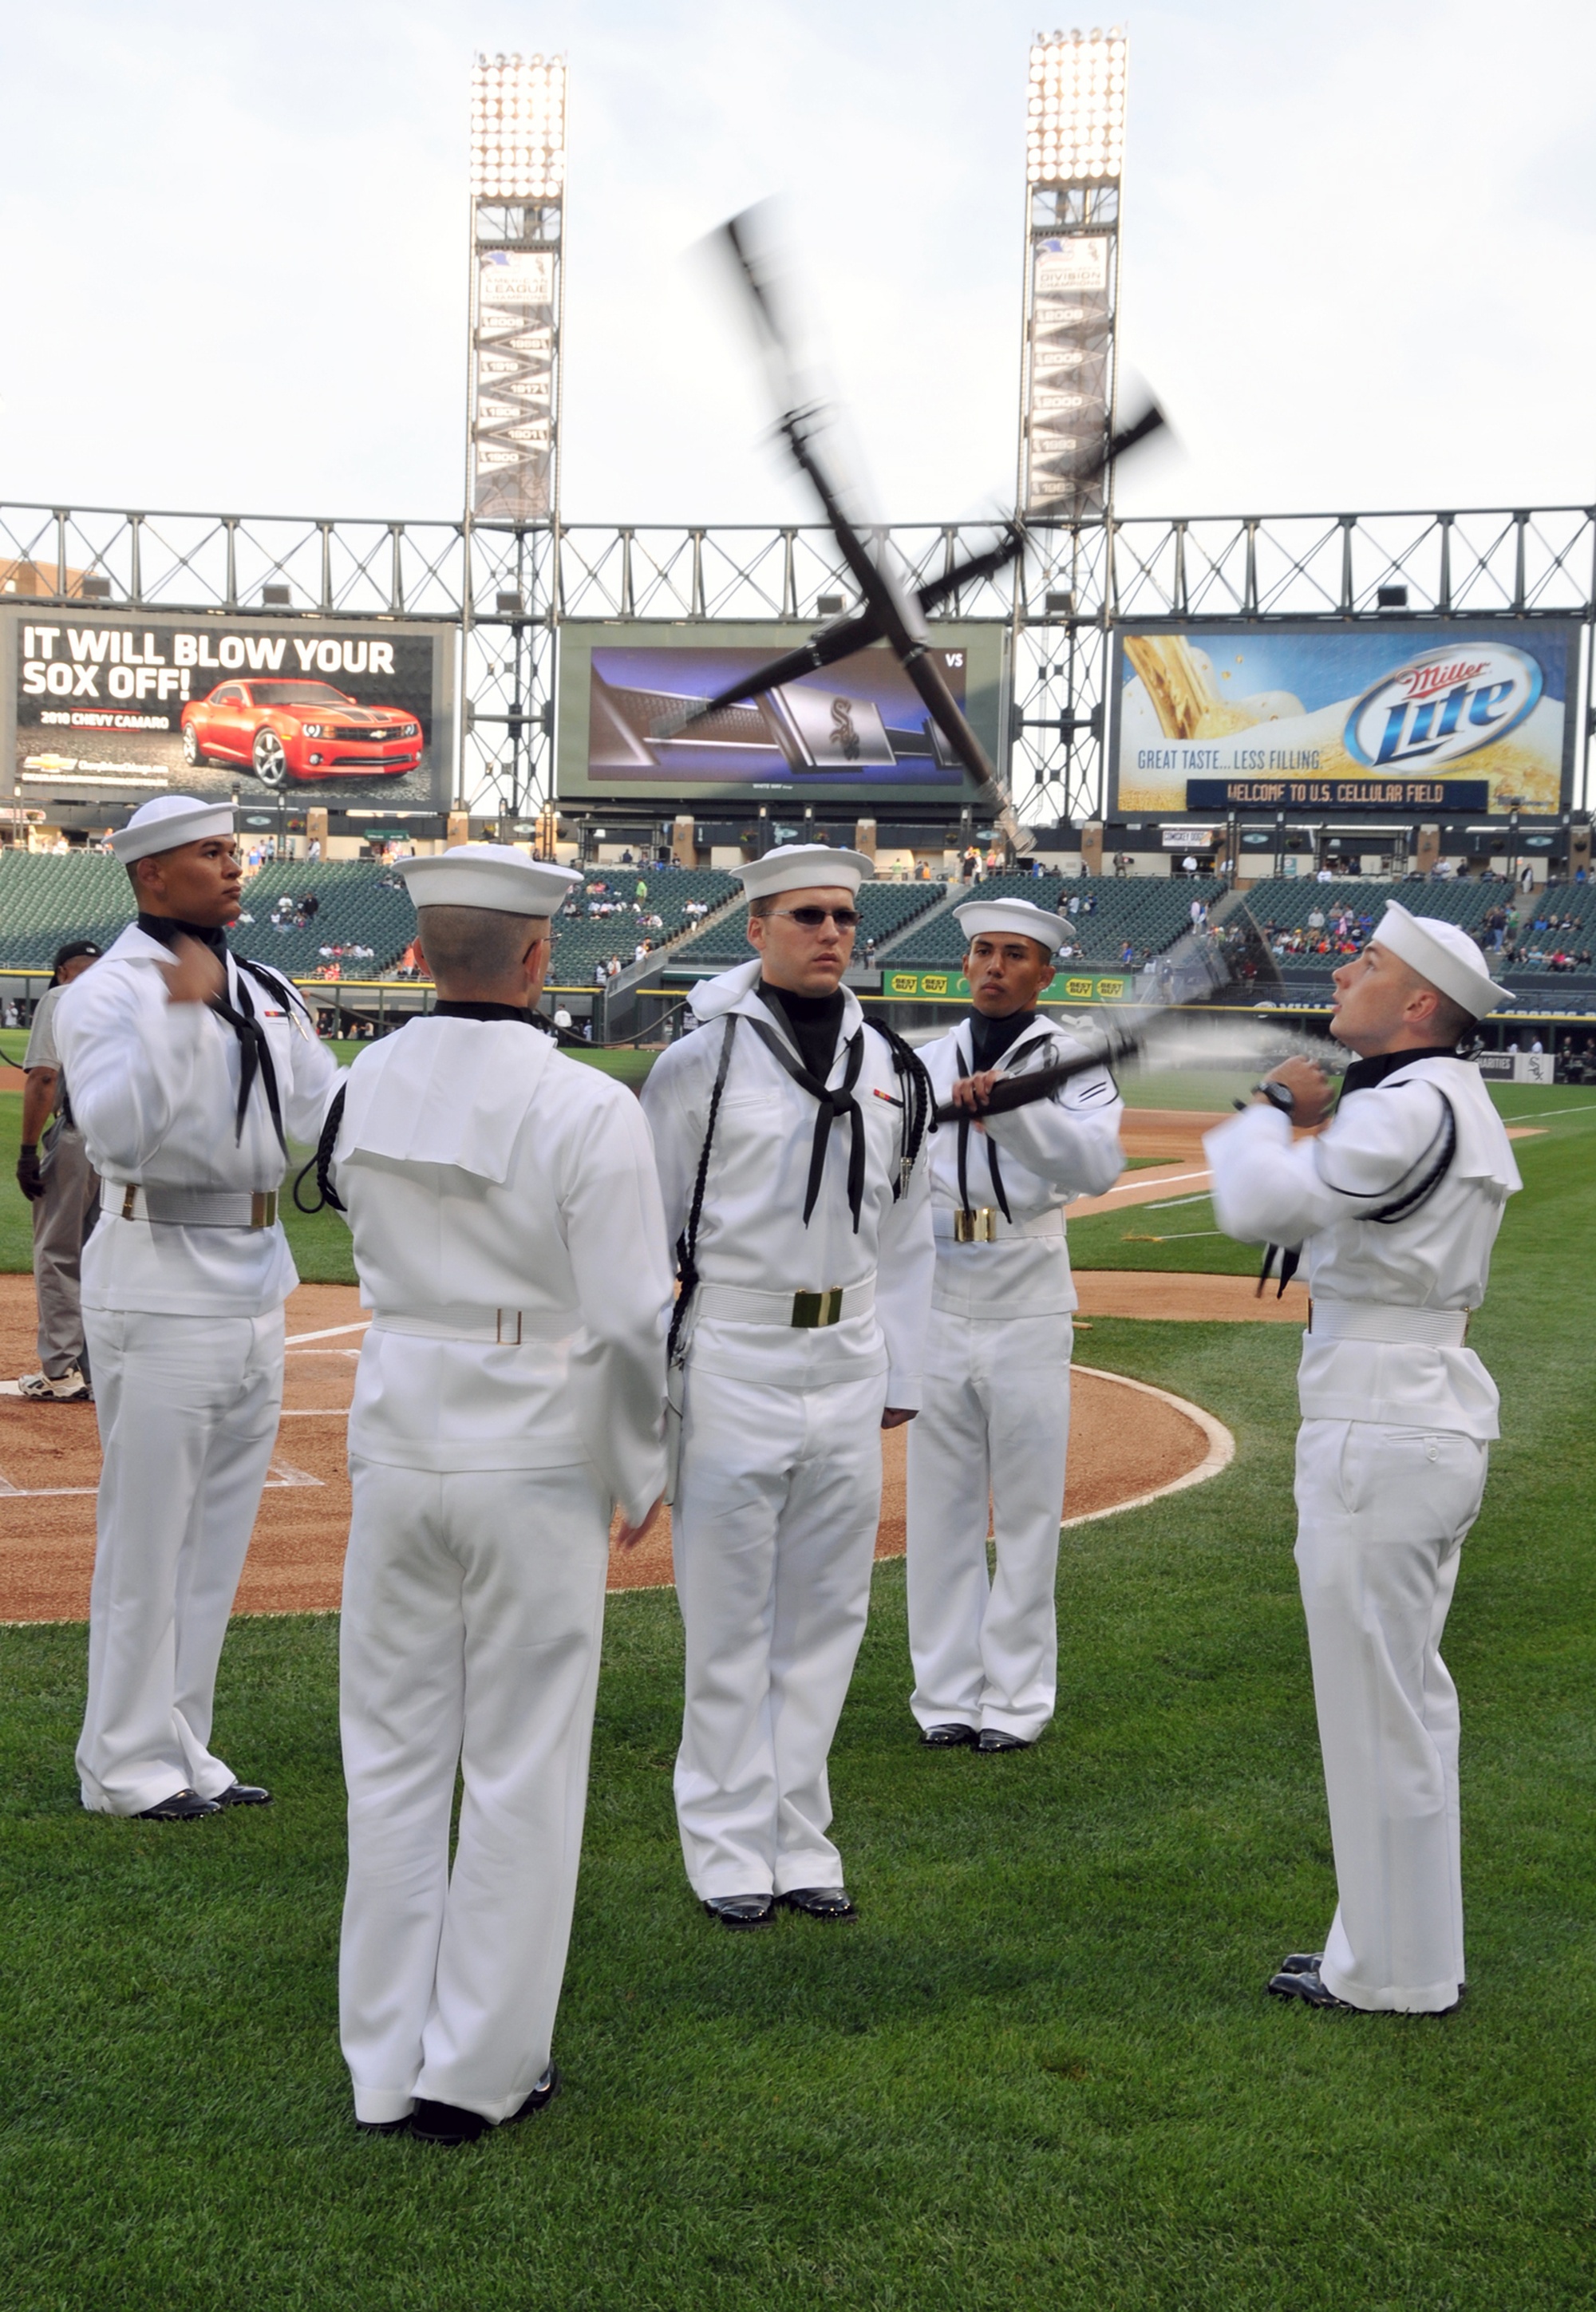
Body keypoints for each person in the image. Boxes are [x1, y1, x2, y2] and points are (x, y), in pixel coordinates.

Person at [328, 844, 672, 2147]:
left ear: (422, 953)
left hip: (400, 1426)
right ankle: (477, 2070)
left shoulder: (366, 1082)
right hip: (530, 1441)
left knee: (395, 1754)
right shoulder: (586, 1106)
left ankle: (380, 2063)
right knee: (521, 1761)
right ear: (539, 956)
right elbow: (634, 1315)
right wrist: (637, 1464)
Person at [1204, 902, 1519, 2015]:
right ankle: (1392, 1955)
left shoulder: (1413, 1105)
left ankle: (1392, 1973)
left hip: (1380, 1422)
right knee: (1402, 1705)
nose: (1343, 970)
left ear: (1421, 1002)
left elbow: (1255, 1201)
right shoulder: (1436, 1100)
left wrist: (1268, 1109)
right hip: (1410, 1411)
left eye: (1369, 962)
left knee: (1378, 1706)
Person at [639, 844, 935, 1929]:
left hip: (846, 1356)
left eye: (847, 917)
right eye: (807, 915)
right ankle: (723, 1843)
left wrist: (903, 1363)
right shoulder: (701, 1065)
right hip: (737, 1354)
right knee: (727, 1617)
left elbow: (907, 1230)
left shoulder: (891, 1063)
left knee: (827, 1613)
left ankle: (799, 1837)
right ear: (756, 928)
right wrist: (645, 1389)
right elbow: (644, 1229)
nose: (831, 934)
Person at [54, 794, 342, 1821]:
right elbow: (122, 1131)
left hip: (256, 1274)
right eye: (211, 853)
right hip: (159, 1270)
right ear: (149, 876)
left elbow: (320, 1112)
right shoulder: (106, 994)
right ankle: (121, 1764)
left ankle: (183, 1741)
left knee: (215, 1534)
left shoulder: (262, 984)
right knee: (147, 1534)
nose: (234, 867)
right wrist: (180, 1012)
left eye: (234, 850)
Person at [906, 899, 1122, 1751]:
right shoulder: (922, 1060)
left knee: (1027, 1509)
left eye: (1014, 954)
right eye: (982, 951)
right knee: (939, 1506)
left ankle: (1017, 1699)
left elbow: (1096, 1166)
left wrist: (1012, 1110)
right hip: (936, 1285)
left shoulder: (1075, 1061)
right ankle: (945, 1696)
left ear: (1045, 973)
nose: (993, 965)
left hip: (1027, 1284)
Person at [15, 941, 104, 1402]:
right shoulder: (124, 998)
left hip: (77, 1139)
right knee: (101, 1253)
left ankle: (61, 1369)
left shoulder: (62, 997)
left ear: (63, 971)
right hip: (124, 1146)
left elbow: (44, 1077)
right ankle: (96, 1367)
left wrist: (28, 1150)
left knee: (57, 1252)